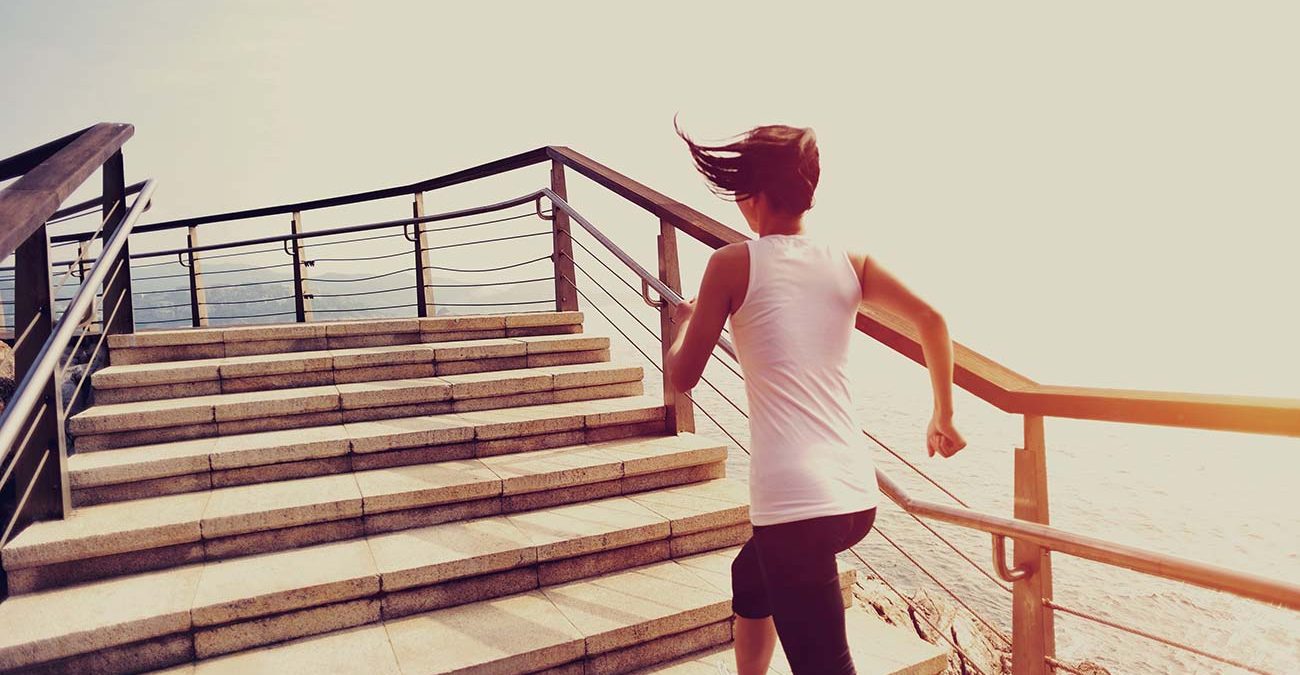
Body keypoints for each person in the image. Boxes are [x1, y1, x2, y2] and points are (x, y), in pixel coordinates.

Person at [665, 121, 967, 675]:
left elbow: (682, 376)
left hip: (796, 504)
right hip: (856, 496)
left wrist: (685, 322)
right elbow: (933, 319)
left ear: (751, 196)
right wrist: (942, 414)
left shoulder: (731, 264)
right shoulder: (850, 262)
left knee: (826, 668)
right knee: (750, 579)